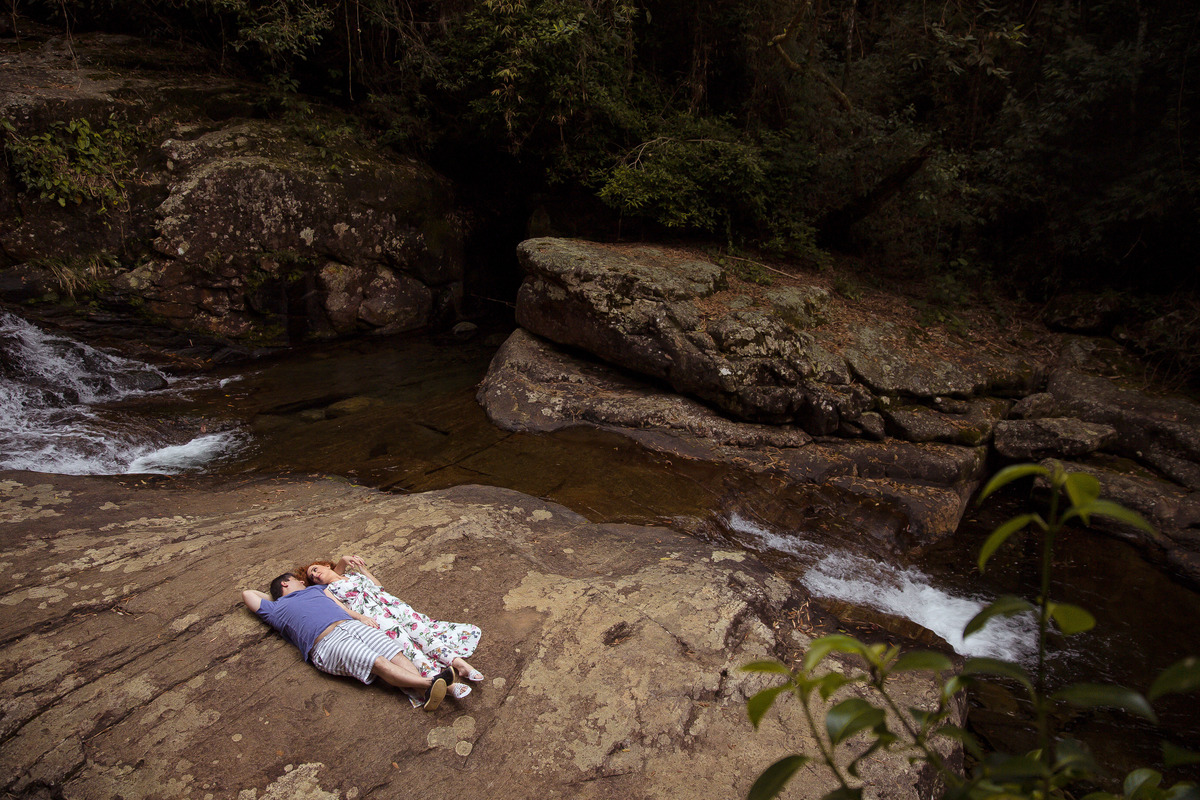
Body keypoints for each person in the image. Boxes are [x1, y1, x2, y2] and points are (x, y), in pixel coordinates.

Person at [241, 572, 455, 711]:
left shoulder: (316, 590)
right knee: (378, 662)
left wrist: (360, 617)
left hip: (352, 625)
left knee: (395, 654)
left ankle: (423, 693)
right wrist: (278, 597)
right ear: (286, 583)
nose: (303, 581)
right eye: (297, 579)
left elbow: (342, 596)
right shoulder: (275, 609)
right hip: (327, 642)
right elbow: (247, 593)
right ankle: (430, 683)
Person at [296, 555, 483, 702]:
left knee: (423, 633)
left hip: (391, 604)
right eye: (313, 577)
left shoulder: (353, 575)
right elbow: (341, 608)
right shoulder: (327, 591)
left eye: (315, 569)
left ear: (325, 565)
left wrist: (360, 568)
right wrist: (361, 617)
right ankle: (442, 684)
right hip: (372, 614)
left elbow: (378, 587)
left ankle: (461, 665)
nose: (315, 575)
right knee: (406, 647)